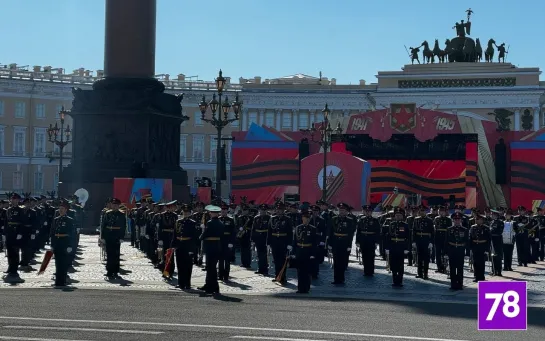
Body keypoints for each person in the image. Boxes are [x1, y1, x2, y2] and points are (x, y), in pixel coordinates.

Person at [172, 204, 198, 289]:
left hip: (188, 245)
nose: (186, 214)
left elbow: (194, 237)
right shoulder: (178, 222)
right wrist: (173, 245)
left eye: (187, 212)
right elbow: (175, 234)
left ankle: (187, 283)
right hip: (179, 245)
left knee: (188, 265)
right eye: (184, 212)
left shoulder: (192, 223)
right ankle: (181, 283)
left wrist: (192, 249)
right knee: (180, 265)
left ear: (190, 213)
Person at [198, 205, 223, 294]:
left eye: (211, 212)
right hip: (217, 246)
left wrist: (200, 237)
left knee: (210, 267)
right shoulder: (220, 222)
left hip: (210, 247)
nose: (210, 214)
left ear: (212, 213)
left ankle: (211, 286)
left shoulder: (210, 222)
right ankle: (212, 285)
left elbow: (205, 233)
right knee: (212, 267)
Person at [328, 203, 355, 285]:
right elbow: (331, 232)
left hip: (344, 242)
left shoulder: (349, 220)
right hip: (336, 242)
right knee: (336, 261)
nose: (341, 212)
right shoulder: (334, 219)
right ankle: (336, 279)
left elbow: (350, 234)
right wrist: (330, 243)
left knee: (343, 261)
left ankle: (341, 278)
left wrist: (349, 245)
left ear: (346, 211)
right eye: (340, 210)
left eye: (343, 210)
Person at [292, 210, 319, 294]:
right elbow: (295, 241)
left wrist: (313, 254)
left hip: (308, 251)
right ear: (302, 218)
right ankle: (300, 288)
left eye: (308, 218)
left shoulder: (313, 229)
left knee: (307, 271)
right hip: (300, 251)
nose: (306, 219)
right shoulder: (298, 228)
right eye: (305, 218)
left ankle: (306, 288)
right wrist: (293, 252)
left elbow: (315, 243)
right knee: (299, 271)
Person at [51, 200, 76, 287]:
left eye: (62, 209)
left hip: (65, 243)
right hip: (57, 243)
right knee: (57, 263)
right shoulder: (56, 220)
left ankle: (63, 280)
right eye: (60, 208)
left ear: (66, 210)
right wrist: (52, 245)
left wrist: (70, 245)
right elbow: (52, 233)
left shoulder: (70, 220)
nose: (60, 210)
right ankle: (58, 281)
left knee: (64, 263)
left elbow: (72, 234)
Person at [100, 198, 127, 278]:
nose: (114, 206)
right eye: (113, 205)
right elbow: (103, 226)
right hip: (109, 235)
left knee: (116, 254)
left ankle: (115, 270)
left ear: (118, 206)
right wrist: (102, 237)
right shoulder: (107, 213)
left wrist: (122, 237)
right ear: (111, 205)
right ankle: (109, 270)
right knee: (109, 253)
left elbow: (123, 227)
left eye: (116, 205)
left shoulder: (121, 214)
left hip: (117, 235)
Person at [268, 201, 293, 284]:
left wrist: (290, 244)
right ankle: (277, 276)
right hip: (274, 242)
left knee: (283, 261)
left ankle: (283, 277)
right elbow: (270, 231)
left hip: (283, 242)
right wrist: (268, 243)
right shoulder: (272, 218)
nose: (278, 211)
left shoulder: (287, 219)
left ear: (283, 210)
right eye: (277, 209)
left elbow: (290, 232)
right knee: (276, 260)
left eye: (280, 209)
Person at [384, 207, 409, 287]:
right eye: (396, 215)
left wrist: (407, 248)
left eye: (399, 215)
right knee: (393, 264)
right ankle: (394, 281)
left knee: (400, 264)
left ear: (402, 216)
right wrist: (387, 247)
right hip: (393, 246)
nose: (398, 217)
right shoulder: (392, 224)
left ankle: (400, 281)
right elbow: (388, 237)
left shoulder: (405, 225)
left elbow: (408, 238)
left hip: (401, 247)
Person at [3, 193, 25, 279]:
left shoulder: (20, 210)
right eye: (13, 199)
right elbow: (6, 222)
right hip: (9, 233)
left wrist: (20, 233)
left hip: (16, 232)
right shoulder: (8, 210)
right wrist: (4, 233)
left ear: (18, 201)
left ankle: (14, 269)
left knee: (15, 252)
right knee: (9, 251)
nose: (14, 201)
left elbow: (22, 223)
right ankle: (10, 267)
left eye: (16, 200)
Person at [445, 212, 469, 290]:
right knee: (452, 268)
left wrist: (467, 253)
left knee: (460, 268)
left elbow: (467, 242)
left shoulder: (465, 230)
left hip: (460, 250)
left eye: (458, 220)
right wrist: (446, 252)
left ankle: (460, 284)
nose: (457, 221)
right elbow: (446, 241)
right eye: (455, 220)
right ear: (453, 220)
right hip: (452, 250)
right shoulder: (449, 229)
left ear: (461, 220)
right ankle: (453, 284)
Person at [355, 205, 380, 276]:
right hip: (363, 240)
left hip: (371, 240)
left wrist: (376, 242)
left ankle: (371, 271)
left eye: (369, 211)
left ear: (371, 212)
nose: (367, 212)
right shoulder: (361, 220)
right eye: (366, 211)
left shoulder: (375, 220)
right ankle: (366, 271)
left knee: (371, 256)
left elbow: (378, 232)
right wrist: (357, 241)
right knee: (364, 256)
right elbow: (358, 231)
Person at [412, 205, 434, 279]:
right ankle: (419, 273)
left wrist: (431, 242)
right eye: (421, 211)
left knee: (426, 258)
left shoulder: (429, 220)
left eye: (423, 211)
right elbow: (414, 231)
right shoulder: (416, 219)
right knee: (419, 257)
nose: (422, 212)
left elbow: (432, 232)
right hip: (418, 240)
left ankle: (425, 273)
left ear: (426, 212)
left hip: (426, 240)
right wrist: (414, 241)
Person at [469, 213, 491, 282]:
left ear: (482, 220)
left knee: (481, 262)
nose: (476, 220)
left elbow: (488, 239)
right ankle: (476, 276)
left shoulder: (486, 228)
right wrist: (471, 247)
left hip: (482, 246)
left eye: (478, 219)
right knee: (475, 262)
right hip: (475, 246)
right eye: (476, 219)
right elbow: (470, 238)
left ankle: (481, 277)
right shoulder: (473, 227)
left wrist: (487, 249)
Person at [252, 204, 271, 275]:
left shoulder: (269, 217)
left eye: (264, 210)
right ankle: (260, 268)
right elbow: (253, 229)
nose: (262, 211)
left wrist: (270, 239)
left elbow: (270, 229)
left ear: (266, 210)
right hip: (258, 237)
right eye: (261, 210)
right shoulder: (256, 218)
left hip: (265, 236)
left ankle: (265, 269)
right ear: (259, 210)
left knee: (265, 254)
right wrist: (252, 238)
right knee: (259, 254)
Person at [218, 203, 235, 281]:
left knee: (227, 260)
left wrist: (231, 242)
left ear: (227, 211)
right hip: (220, 241)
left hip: (228, 241)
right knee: (220, 260)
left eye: (225, 210)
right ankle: (220, 275)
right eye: (222, 210)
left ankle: (226, 275)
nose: (223, 211)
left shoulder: (230, 220)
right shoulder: (218, 219)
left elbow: (233, 232)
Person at [489, 210, 504, 276]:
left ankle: (499, 271)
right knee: (493, 256)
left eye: (493, 215)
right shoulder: (491, 222)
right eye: (492, 215)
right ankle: (494, 270)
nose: (492, 215)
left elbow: (499, 231)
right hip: (492, 240)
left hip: (498, 240)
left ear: (496, 215)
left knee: (498, 256)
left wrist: (492, 232)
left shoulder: (500, 222)